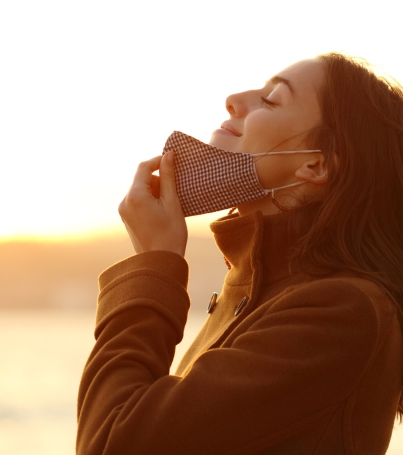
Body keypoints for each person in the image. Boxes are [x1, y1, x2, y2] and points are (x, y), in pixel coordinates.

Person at [77, 53, 403, 454]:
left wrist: (154, 261)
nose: (234, 99)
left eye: (270, 101)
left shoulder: (341, 308)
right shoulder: (255, 286)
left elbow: (113, 443)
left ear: (316, 165)